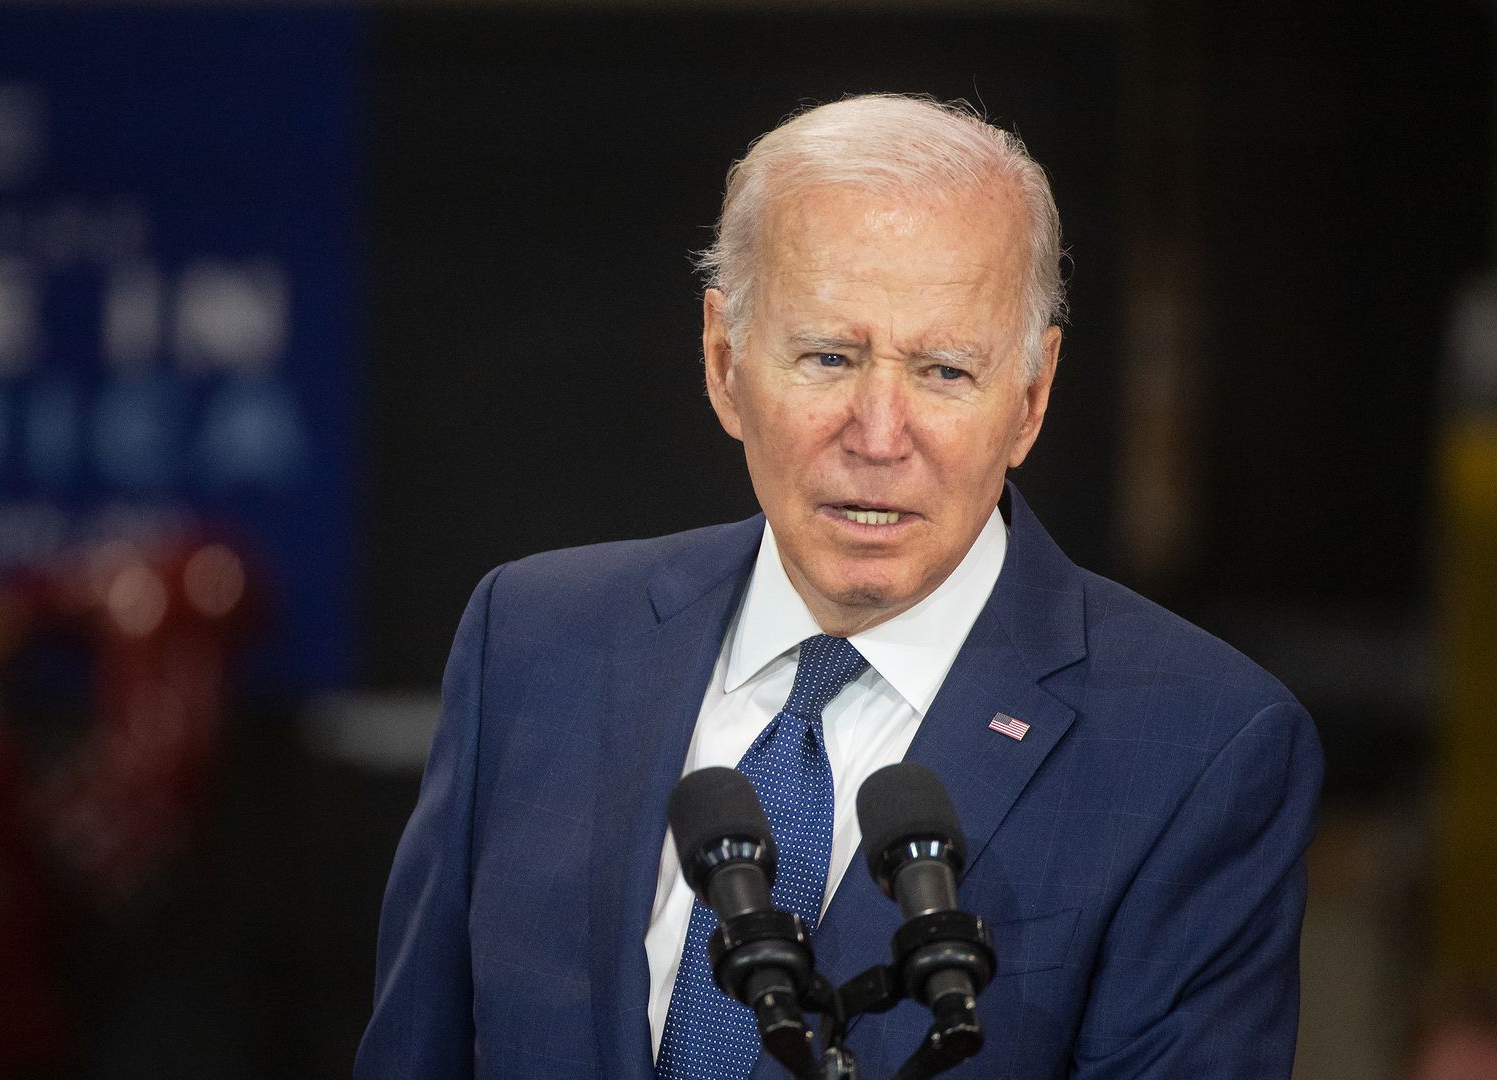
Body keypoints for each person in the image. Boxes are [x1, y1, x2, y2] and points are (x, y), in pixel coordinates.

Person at [356, 94, 1322, 1080]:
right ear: (723, 359)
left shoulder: (1201, 747)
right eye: (829, 356)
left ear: (1030, 399)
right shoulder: (534, 642)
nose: (878, 433)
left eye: (945, 371)